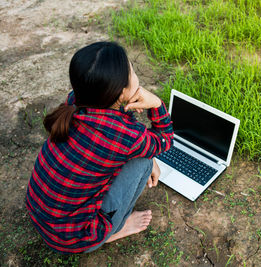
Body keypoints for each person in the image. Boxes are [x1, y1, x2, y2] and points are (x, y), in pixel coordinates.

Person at [25, 41, 173, 254]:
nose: (134, 73)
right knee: (144, 161)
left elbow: (119, 137)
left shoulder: (75, 101)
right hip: (74, 238)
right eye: (131, 71)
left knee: (140, 156)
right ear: (120, 92)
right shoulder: (126, 135)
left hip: (41, 215)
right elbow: (165, 140)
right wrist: (156, 104)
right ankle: (116, 229)